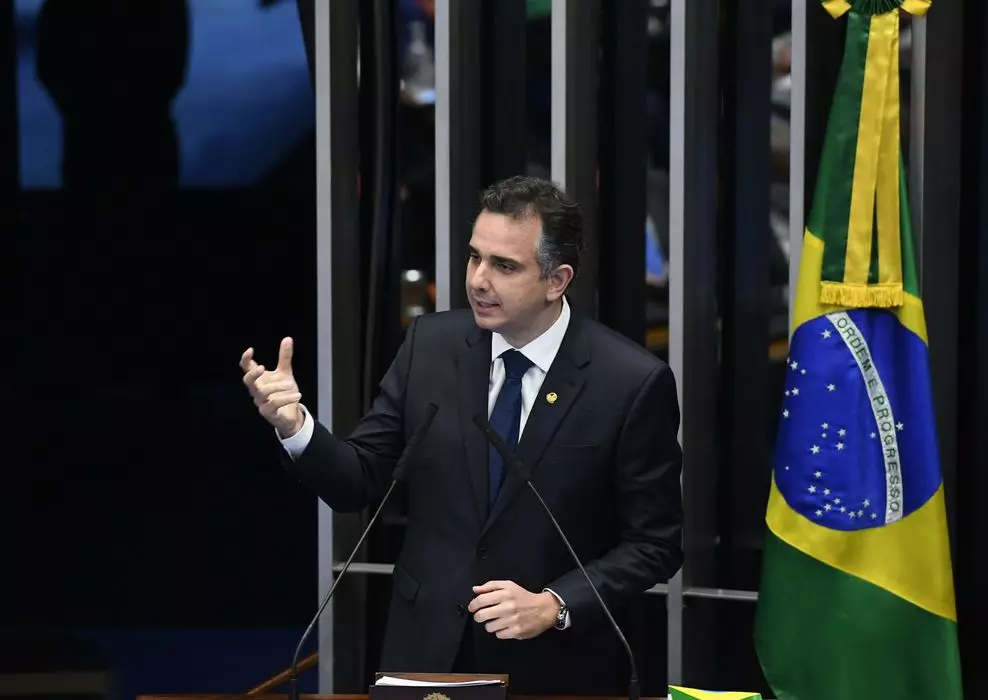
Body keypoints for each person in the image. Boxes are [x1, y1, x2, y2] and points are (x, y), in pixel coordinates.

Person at [240, 175, 683, 695]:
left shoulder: (628, 381)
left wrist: (556, 605)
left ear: (557, 280)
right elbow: (357, 481)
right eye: (475, 258)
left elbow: (655, 543)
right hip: (425, 651)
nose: (477, 280)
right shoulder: (431, 346)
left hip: (555, 666)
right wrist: (295, 428)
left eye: (504, 266)